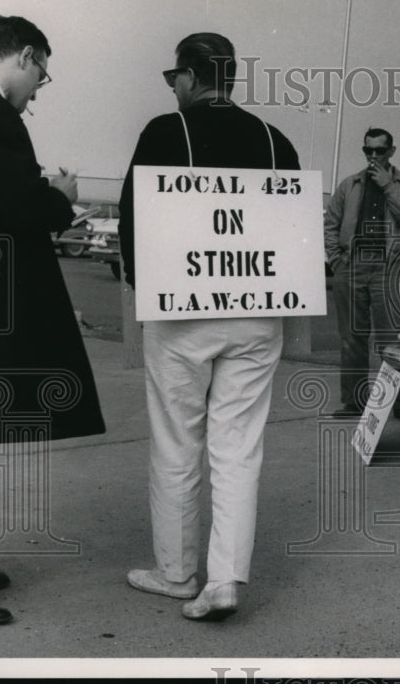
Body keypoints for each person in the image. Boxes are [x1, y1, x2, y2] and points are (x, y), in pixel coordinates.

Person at [119, 32, 299, 621]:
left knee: (178, 443)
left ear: (192, 77)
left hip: (182, 313)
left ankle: (175, 574)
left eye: (175, 78)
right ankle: (224, 579)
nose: (173, 89)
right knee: (238, 448)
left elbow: (132, 223)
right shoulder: (278, 141)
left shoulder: (166, 132)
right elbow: (292, 231)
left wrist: (146, 288)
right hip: (258, 314)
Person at [0, 16, 106, 626]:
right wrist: (62, 194)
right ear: (24, 55)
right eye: (42, 71)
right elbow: (19, 204)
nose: (41, 86)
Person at [323, 128, 400, 417]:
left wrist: (388, 186)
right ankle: (354, 402)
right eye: (369, 151)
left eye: (380, 151)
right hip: (352, 266)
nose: (374, 156)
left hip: (388, 267)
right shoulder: (350, 184)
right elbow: (331, 223)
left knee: (393, 340)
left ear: (392, 151)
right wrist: (336, 261)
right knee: (352, 338)